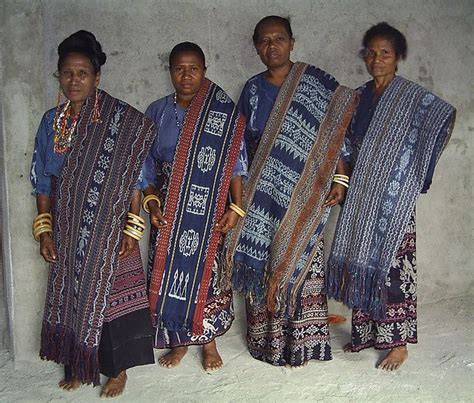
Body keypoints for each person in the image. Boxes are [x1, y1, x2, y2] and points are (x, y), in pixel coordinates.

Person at [224, 16, 357, 367]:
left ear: (292, 42)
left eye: (279, 38)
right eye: (264, 41)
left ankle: (303, 343)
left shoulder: (314, 86)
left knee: (301, 261)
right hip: (261, 193)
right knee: (266, 261)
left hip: (306, 193)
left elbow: (337, 134)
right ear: (256, 47)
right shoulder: (252, 89)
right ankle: (265, 342)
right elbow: (238, 144)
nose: (272, 47)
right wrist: (238, 199)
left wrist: (340, 179)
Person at [30, 30, 156, 397]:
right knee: (73, 299)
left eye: (82, 73)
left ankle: (117, 370)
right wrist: (45, 231)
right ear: (59, 76)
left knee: (113, 305)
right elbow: (42, 180)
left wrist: (133, 229)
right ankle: (79, 363)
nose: (74, 80)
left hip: (111, 227)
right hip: (69, 229)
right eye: (67, 73)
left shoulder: (122, 123)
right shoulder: (52, 122)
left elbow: (138, 177)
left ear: (97, 77)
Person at [327, 22, 456, 371]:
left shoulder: (412, 97)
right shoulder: (357, 97)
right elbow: (342, 142)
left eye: (385, 52)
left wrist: (417, 171)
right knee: (362, 264)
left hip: (395, 197)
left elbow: (444, 119)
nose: (376, 59)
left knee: (395, 269)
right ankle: (367, 335)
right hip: (361, 194)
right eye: (370, 52)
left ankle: (397, 343)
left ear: (398, 56)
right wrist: (343, 176)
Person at [143, 42, 247, 371]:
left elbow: (236, 163)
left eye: (194, 69)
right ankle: (179, 342)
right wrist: (152, 200)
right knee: (169, 272)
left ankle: (208, 342)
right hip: (170, 206)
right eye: (179, 68)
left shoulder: (222, 113)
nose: (186, 75)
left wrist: (237, 206)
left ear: (204, 71)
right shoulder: (156, 111)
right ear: (170, 71)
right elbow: (144, 162)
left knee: (207, 274)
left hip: (209, 207)